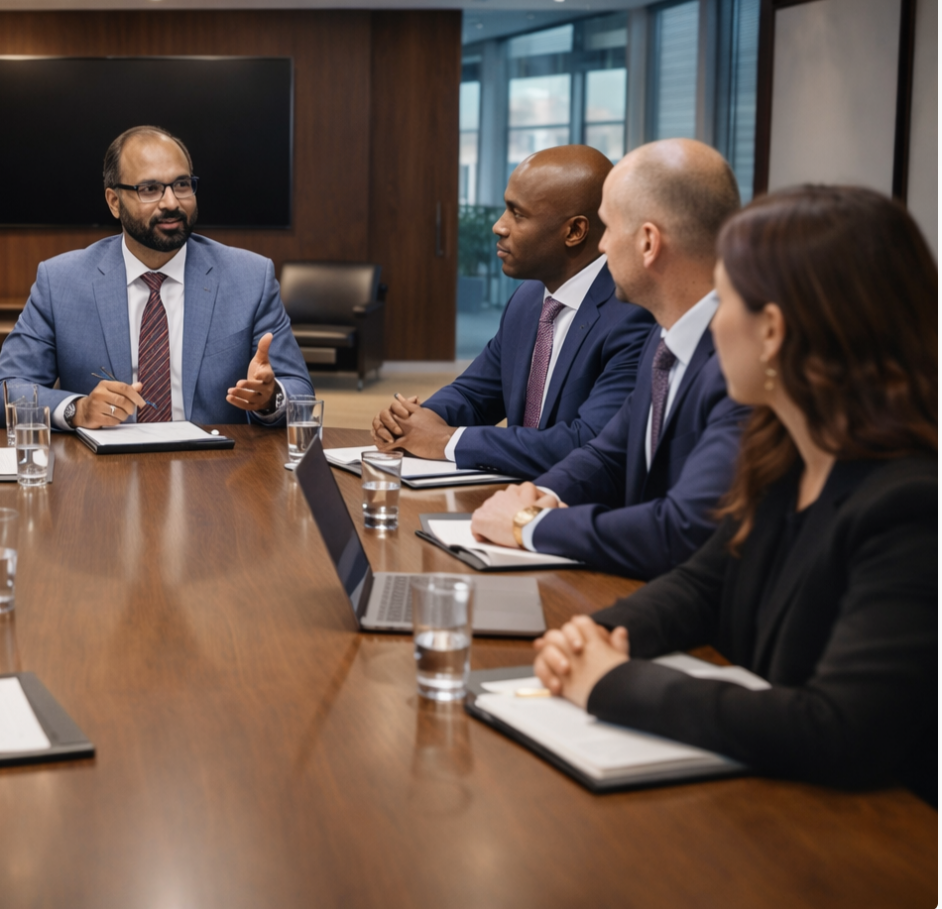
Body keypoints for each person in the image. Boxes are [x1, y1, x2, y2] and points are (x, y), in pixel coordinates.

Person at [531, 186, 937, 802]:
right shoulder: (785, 458)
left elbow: (838, 729)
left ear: (771, 330)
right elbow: (703, 584)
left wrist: (614, 683)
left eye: (727, 297)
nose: (714, 319)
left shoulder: (909, 505)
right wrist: (599, 635)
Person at [470, 139, 750, 578]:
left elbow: (680, 530)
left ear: (648, 243)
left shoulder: (741, 366)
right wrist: (535, 497)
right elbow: (607, 455)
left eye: (608, 229)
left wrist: (532, 525)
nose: (600, 250)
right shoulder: (666, 336)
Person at [0, 125, 311, 431]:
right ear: (114, 201)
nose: (171, 203)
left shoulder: (250, 278)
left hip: (217, 474)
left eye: (182, 185)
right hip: (102, 480)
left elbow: (300, 394)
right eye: (149, 189)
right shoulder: (61, 282)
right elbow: (2, 394)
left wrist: (270, 399)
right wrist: (77, 410)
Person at [371, 145, 653, 478]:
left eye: (517, 214)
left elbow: (587, 443)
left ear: (574, 231)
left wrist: (446, 440)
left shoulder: (634, 314)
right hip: (504, 495)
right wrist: (410, 422)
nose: (498, 226)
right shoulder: (528, 299)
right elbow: (474, 395)